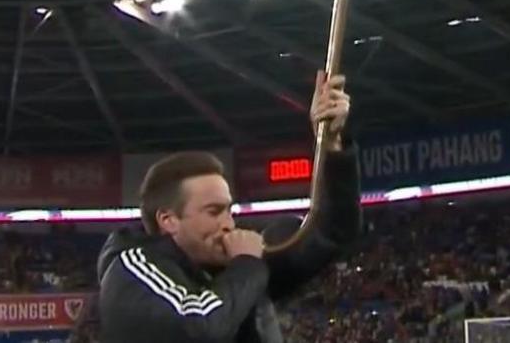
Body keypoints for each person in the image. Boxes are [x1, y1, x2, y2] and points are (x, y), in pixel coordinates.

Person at [95, 71, 360, 343]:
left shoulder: (228, 267)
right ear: (168, 219)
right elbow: (199, 329)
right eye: (213, 211)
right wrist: (245, 263)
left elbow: (333, 233)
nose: (228, 224)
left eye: (228, 210)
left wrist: (331, 144)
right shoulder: (132, 267)